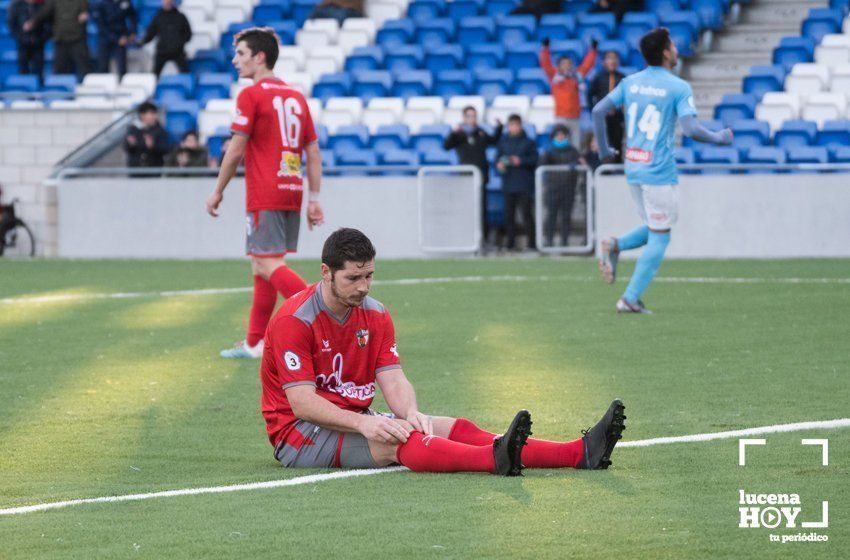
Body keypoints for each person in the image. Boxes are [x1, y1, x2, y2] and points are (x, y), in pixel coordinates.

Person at [262, 227, 627, 474]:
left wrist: (410, 411)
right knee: (401, 443)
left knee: (452, 426)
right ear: (326, 272)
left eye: (369, 276)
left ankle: (580, 453)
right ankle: (494, 460)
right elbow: (302, 404)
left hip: (352, 416)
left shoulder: (375, 313)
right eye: (353, 279)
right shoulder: (295, 320)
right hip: (300, 434)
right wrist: (365, 422)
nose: (363, 287)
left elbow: (392, 375)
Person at [593, 27, 733, 314]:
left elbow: (597, 111)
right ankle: (630, 299)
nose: (677, 48)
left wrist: (605, 151)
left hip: (633, 167)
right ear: (666, 52)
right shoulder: (678, 87)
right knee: (661, 235)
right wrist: (720, 137)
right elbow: (692, 129)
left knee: (654, 227)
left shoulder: (630, 82)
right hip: (658, 171)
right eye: (673, 45)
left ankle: (614, 245)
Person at [206, 27, 325, 359]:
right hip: (292, 189)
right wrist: (314, 198)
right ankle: (255, 343)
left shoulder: (251, 95)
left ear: (260, 57)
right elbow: (313, 152)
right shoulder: (297, 97)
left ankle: (324, 316)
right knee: (263, 267)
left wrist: (218, 190)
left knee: (266, 262)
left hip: (265, 190)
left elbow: (235, 150)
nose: (235, 60)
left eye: (241, 54)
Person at [442, 106, 502, 248]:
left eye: (474, 116)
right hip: (465, 179)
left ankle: (483, 240)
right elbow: (446, 146)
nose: (471, 119)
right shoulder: (459, 134)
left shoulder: (480, 133)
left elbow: (493, 140)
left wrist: (499, 127)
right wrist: (452, 133)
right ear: (464, 118)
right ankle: (465, 239)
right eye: (469, 116)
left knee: (482, 210)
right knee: (466, 210)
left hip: (480, 178)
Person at [539, 38, 598, 146]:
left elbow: (587, 65)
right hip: (561, 117)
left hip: (575, 117)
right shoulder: (554, 77)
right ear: (559, 66)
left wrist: (593, 50)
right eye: (564, 64)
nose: (567, 66)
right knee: (561, 145)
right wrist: (545, 49)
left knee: (576, 146)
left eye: (569, 64)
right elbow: (545, 64)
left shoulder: (576, 77)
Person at [496, 114, 538, 251]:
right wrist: (499, 165)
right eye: (511, 125)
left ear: (520, 126)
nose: (514, 128)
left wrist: (521, 161)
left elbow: (535, 160)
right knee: (509, 216)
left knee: (527, 215)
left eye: (516, 125)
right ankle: (510, 244)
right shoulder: (503, 142)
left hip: (524, 184)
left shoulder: (529, 142)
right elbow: (497, 160)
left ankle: (532, 244)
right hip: (508, 183)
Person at [540, 125, 581, 248]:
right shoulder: (549, 151)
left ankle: (564, 241)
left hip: (568, 188)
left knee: (566, 216)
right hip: (552, 189)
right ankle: (549, 240)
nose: (561, 137)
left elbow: (579, 164)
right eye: (558, 134)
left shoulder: (573, 151)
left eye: (563, 134)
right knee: (551, 215)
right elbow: (542, 165)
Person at [25, 0, 89, 79]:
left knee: (84, 68)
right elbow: (44, 12)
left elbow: (88, 10)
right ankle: (59, 89)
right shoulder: (54, 1)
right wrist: (33, 22)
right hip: (61, 40)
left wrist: (85, 14)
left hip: (77, 39)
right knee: (59, 70)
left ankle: (87, 88)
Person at [587, 50, 625, 163]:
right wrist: (593, 111)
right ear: (603, 62)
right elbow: (590, 95)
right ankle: (603, 169)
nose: (612, 61)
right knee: (603, 143)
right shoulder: (598, 77)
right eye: (609, 58)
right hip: (602, 118)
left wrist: (621, 112)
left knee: (617, 143)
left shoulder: (622, 78)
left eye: (615, 58)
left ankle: (616, 171)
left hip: (617, 118)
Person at [139, 0, 191, 77]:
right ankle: (153, 87)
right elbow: (151, 33)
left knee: (185, 73)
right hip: (162, 51)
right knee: (154, 75)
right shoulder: (158, 17)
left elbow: (188, 33)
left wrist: (180, 43)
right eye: (165, 1)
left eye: (169, 1)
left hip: (178, 51)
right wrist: (141, 42)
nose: (167, 3)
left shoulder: (180, 17)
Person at [7, 0, 51, 81]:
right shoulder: (16, 6)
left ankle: (39, 90)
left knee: (39, 72)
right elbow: (12, 25)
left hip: (38, 44)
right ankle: (24, 91)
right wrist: (21, 37)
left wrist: (41, 39)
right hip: (22, 45)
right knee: (23, 71)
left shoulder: (42, 6)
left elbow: (48, 25)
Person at [92, 0, 137, 77]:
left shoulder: (125, 2)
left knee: (122, 67)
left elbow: (133, 16)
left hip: (121, 37)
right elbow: (101, 26)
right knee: (102, 67)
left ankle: (123, 86)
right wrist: (116, 39)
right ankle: (102, 86)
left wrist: (132, 32)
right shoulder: (101, 4)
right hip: (105, 38)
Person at [124, 101, 170, 168]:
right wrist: (131, 144)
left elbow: (165, 149)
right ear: (142, 115)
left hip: (154, 170)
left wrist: (153, 146)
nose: (154, 116)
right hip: (136, 170)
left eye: (154, 113)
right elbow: (127, 148)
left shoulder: (160, 130)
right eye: (151, 113)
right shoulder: (133, 129)